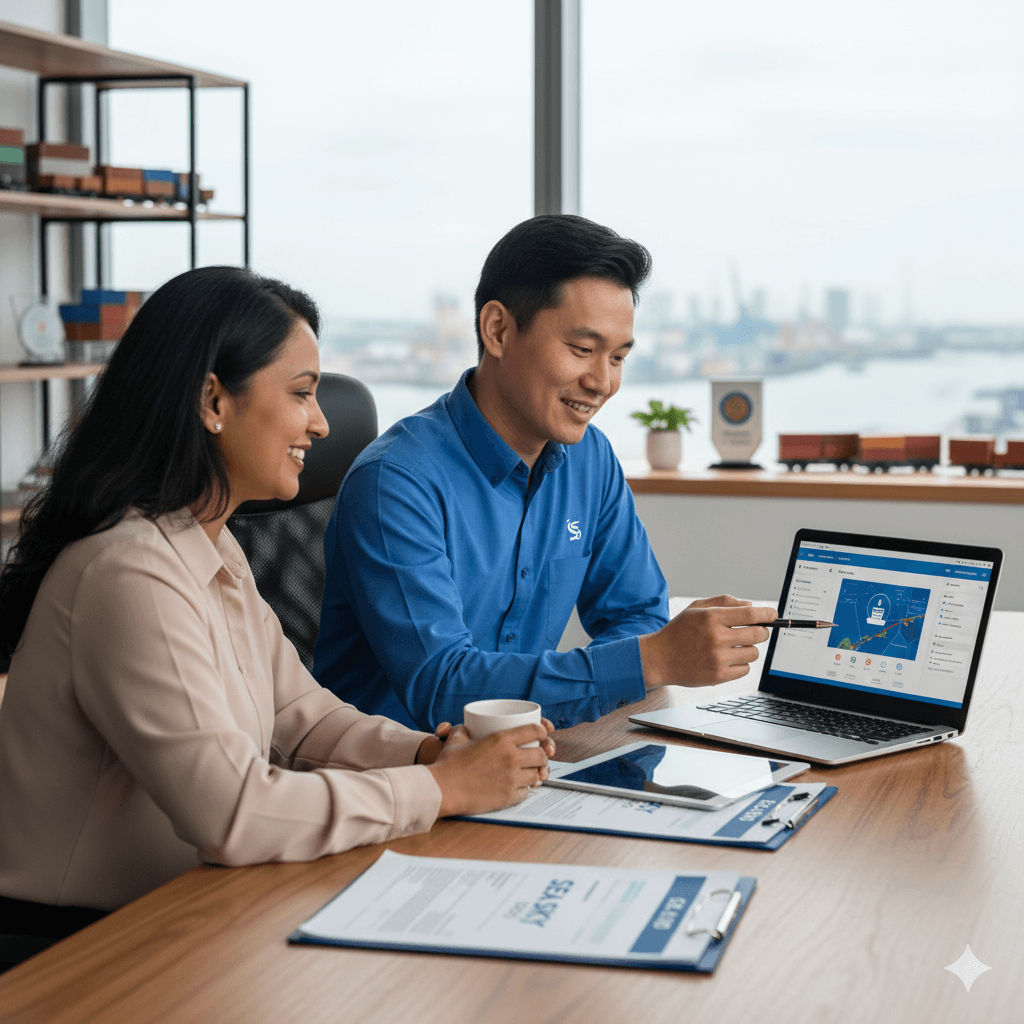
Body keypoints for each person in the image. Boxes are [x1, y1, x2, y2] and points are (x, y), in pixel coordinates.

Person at [0, 266, 554, 948]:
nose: (321, 423)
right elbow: (234, 812)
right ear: (213, 401)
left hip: (189, 913)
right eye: (301, 393)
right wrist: (444, 791)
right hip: (76, 950)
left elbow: (304, 717)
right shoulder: (128, 572)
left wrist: (428, 753)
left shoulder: (210, 544)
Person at [314, 215, 776, 732]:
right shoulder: (395, 482)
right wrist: (647, 662)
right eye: (582, 350)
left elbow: (637, 612)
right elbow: (441, 686)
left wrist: (618, 676)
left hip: (533, 757)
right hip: (398, 769)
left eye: (617, 358)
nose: (602, 382)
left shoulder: (590, 460)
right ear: (498, 330)